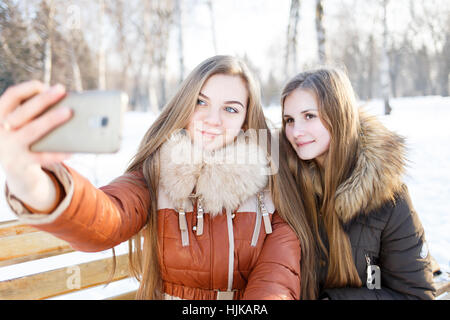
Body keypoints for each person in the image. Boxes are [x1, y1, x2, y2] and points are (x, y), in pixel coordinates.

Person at [0, 55, 316, 300]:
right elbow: (106, 217)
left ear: (248, 120)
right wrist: (28, 178)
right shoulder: (156, 173)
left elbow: (276, 279)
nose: (211, 119)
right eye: (200, 102)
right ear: (184, 105)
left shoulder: (272, 185)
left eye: (231, 109)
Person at [279, 67, 435, 299]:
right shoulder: (283, 182)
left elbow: (415, 294)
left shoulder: (387, 194)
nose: (296, 132)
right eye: (289, 120)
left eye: (309, 116)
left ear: (338, 114)